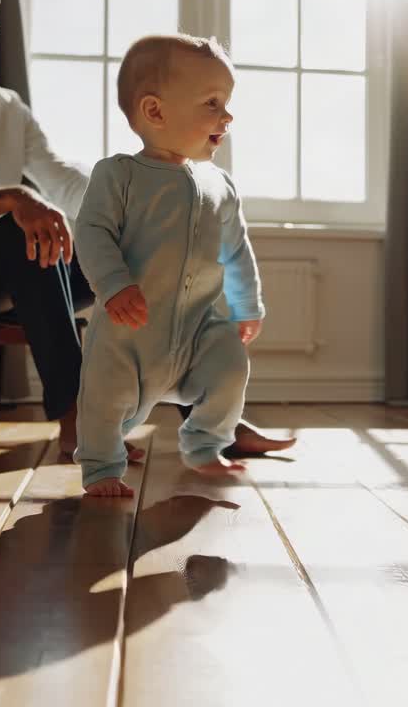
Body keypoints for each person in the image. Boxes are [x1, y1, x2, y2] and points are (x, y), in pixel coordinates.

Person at [0, 0, 295, 461]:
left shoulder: (5, 104)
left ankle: (214, 416)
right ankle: (79, 422)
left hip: (18, 259)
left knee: (140, 248)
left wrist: (137, 205)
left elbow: (62, 178)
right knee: (24, 231)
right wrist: (14, 199)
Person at [73, 34, 263, 498]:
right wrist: (114, 286)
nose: (227, 115)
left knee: (231, 366)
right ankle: (101, 467)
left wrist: (246, 304)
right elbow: (92, 233)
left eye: (228, 102)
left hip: (199, 327)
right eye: (212, 103)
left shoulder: (221, 185)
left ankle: (204, 445)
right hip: (128, 330)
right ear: (155, 112)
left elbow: (237, 249)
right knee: (105, 397)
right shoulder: (118, 175)